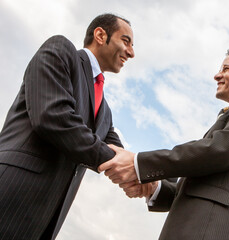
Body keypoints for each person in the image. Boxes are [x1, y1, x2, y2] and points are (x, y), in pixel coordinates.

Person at [99, 49, 229, 240]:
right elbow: (198, 181)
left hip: (215, 229)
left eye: (226, 69)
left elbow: (219, 150)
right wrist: (153, 187)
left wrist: (139, 164)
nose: (217, 75)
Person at [0, 13, 134, 240]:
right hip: (10, 191)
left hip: (47, 215)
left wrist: (145, 173)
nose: (131, 52)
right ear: (100, 35)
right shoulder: (60, 50)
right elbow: (53, 117)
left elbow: (119, 154)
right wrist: (126, 167)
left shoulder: (106, 112)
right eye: (126, 41)